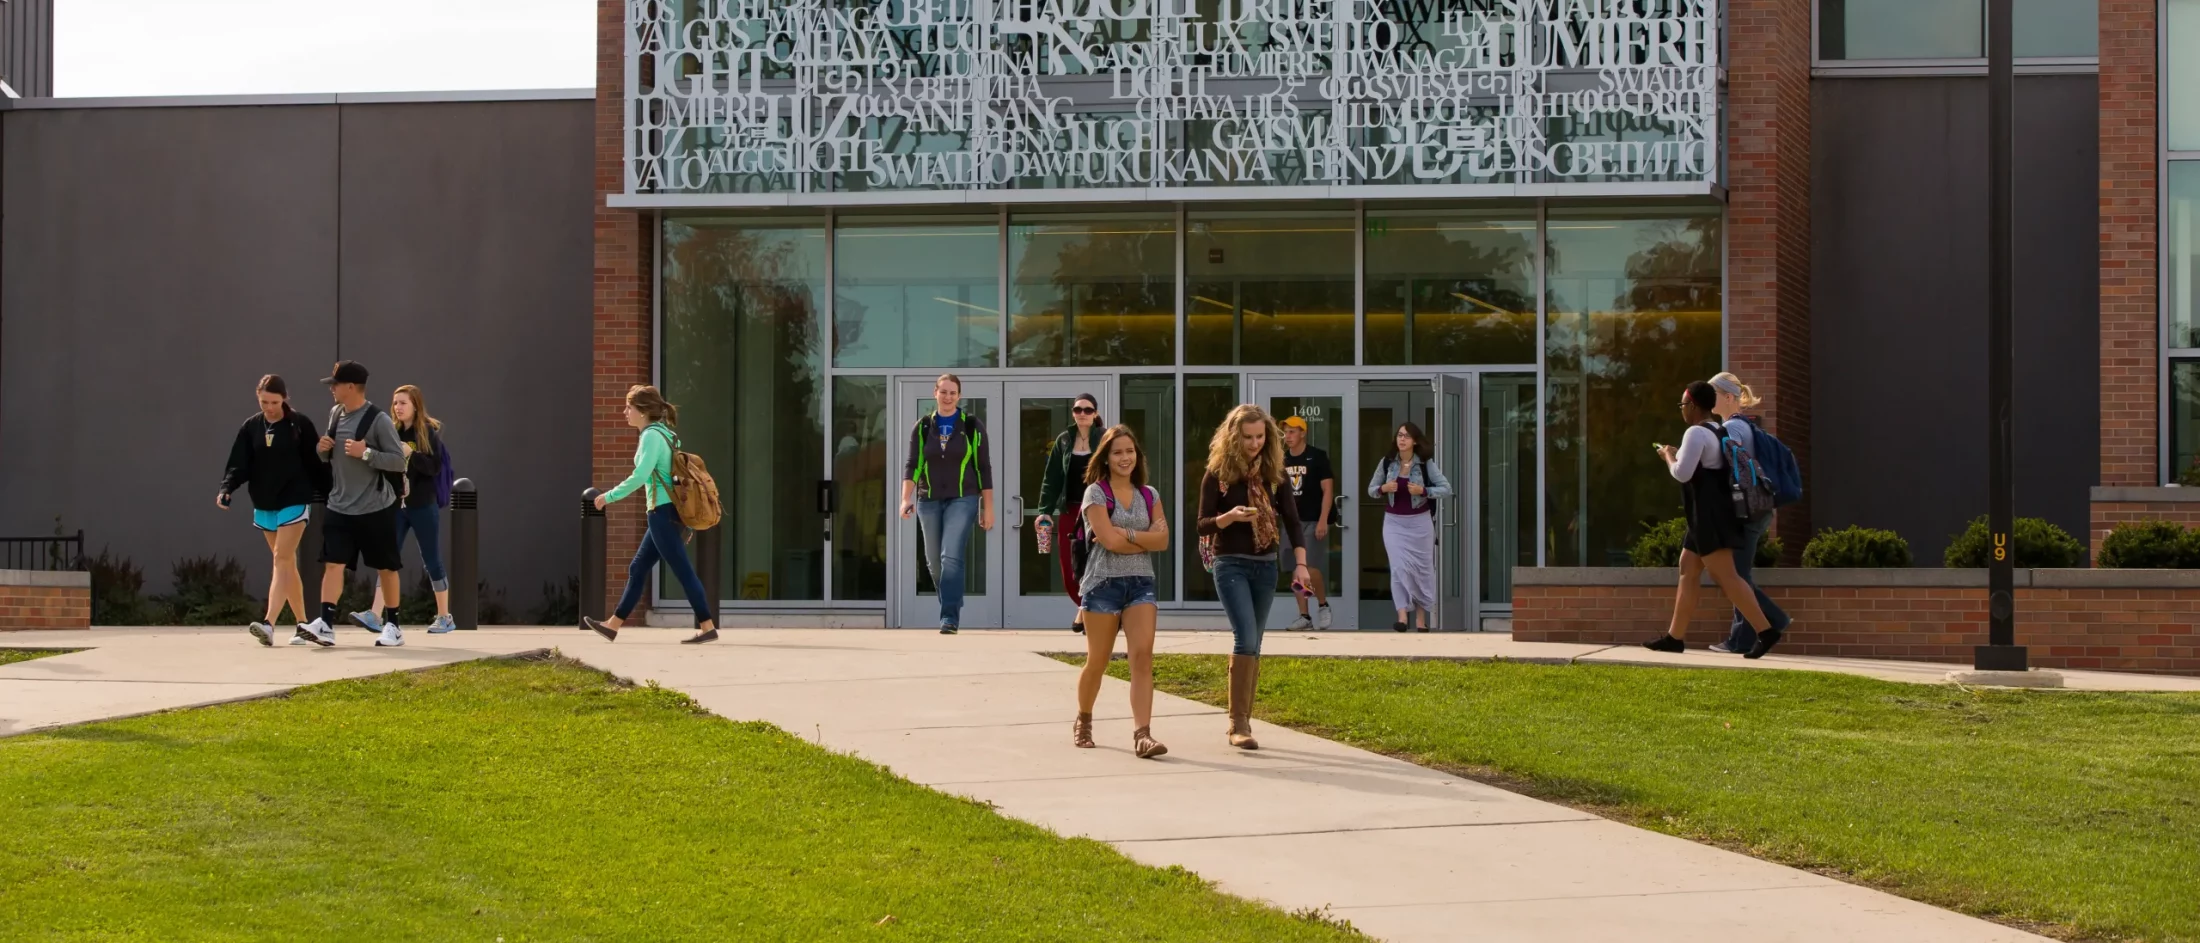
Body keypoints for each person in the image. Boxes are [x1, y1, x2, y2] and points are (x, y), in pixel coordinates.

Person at [1196, 404, 1309, 750]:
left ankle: (1244, 717)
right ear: (1233, 437)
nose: (1254, 443)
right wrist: (1227, 517)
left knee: (1255, 643)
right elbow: (1201, 524)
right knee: (1245, 638)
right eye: (1247, 437)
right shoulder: (1217, 474)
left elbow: (1292, 522)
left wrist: (1301, 564)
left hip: (1265, 566)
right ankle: (1237, 724)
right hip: (1230, 563)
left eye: (1260, 436)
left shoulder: (1274, 475)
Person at [1644, 382, 1781, 657]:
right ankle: (1675, 637)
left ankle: (1766, 631)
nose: (1682, 410)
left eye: (1683, 405)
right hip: (1707, 514)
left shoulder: (1695, 432)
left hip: (1708, 516)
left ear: (1693, 406)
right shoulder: (1716, 430)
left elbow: (1682, 474)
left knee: (1726, 576)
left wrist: (1668, 456)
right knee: (1688, 567)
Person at [584, 386, 721, 644]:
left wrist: (609, 497)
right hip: (665, 512)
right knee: (638, 567)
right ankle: (613, 625)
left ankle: (707, 627)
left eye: (629, 408)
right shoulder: (665, 434)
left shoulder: (651, 436)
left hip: (663, 513)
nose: (625, 412)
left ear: (643, 411)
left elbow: (641, 475)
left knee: (682, 570)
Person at [1071, 425, 1170, 758]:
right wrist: (1141, 538)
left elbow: (1164, 541)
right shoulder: (1096, 494)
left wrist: (1122, 533)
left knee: (1142, 658)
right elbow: (1109, 543)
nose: (1125, 458)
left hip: (1141, 584)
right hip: (1102, 585)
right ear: (1106, 457)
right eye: (1117, 452)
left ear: (1137, 455)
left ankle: (1143, 735)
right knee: (1098, 661)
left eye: (1130, 451)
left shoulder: (1149, 495)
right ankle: (1083, 720)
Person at [305, 361, 409, 648]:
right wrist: (321, 451)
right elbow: (331, 458)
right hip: (339, 506)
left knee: (386, 568)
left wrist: (367, 454)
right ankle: (325, 624)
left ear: (351, 387)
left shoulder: (378, 420)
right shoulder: (335, 414)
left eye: (335, 385)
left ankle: (393, 626)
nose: (332, 390)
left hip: (375, 508)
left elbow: (399, 461)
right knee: (333, 564)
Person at [218, 375, 325, 647]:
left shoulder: (299, 424)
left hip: (294, 498)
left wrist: (329, 491)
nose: (269, 407)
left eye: (275, 402)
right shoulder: (251, 427)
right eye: (264, 401)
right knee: (286, 564)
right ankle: (303, 624)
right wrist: (227, 488)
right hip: (264, 502)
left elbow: (316, 462)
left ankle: (269, 623)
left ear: (284, 398)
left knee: (281, 558)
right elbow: (238, 463)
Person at [898, 374, 995, 635]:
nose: (948, 397)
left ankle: (949, 617)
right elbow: (913, 465)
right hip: (928, 499)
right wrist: (905, 498)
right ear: (935, 393)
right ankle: (951, 599)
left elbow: (983, 468)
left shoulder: (972, 426)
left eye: (953, 392)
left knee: (950, 556)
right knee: (933, 562)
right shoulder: (923, 426)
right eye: (943, 392)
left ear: (959, 396)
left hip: (963, 498)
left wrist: (988, 507)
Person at [1706, 372, 1791, 655]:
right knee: (1737, 575)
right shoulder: (1738, 426)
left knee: (1736, 577)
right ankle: (1742, 637)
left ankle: (1769, 623)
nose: (1709, 400)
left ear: (1728, 398)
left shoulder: (1734, 429)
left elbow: (1730, 466)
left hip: (1746, 511)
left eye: (1713, 395)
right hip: (1755, 509)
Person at [366, 385, 457, 634]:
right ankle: (375, 615)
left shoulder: (427, 432)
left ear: (415, 405)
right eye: (395, 402)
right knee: (387, 558)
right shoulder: (392, 432)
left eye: (403, 402)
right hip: (397, 505)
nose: (398, 407)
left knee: (431, 559)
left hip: (422, 506)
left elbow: (434, 467)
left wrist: (411, 454)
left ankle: (444, 616)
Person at [1368, 422, 1452, 632]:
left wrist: (1423, 491)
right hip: (1394, 523)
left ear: (1415, 440)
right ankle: (1403, 616)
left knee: (1421, 570)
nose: (1402, 439)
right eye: (1399, 435)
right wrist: (1383, 488)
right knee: (1399, 568)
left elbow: (1446, 489)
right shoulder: (1387, 463)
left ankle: (1421, 620)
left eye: (1406, 436)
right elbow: (1371, 489)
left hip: (1420, 523)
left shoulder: (1425, 463)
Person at [1037, 392, 1102, 634]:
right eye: (1077, 410)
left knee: (1095, 562)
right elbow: (1051, 478)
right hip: (1070, 510)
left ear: (1095, 414)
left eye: (1087, 410)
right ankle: (1084, 607)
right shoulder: (1064, 440)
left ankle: (1088, 613)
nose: (1082, 414)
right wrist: (1044, 510)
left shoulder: (1104, 439)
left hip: (1097, 510)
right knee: (1070, 565)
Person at [1278, 415, 1336, 630]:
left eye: (1293, 431)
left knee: (1309, 568)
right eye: (1286, 432)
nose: (1288, 436)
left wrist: (1323, 520)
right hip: (1291, 522)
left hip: (1313, 520)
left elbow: (1328, 490)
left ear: (1303, 433)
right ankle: (1305, 616)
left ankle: (1323, 604)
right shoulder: (1282, 460)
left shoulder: (1317, 457)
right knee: (1295, 569)